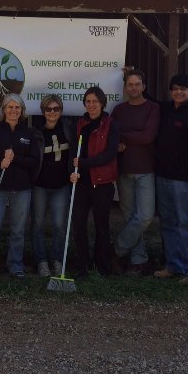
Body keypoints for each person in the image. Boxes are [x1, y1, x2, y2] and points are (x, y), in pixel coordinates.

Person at [0, 93, 39, 281]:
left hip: (22, 189)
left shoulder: (28, 133)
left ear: (22, 111)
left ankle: (15, 265)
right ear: (3, 110)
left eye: (17, 107)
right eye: (10, 107)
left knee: (18, 230)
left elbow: (34, 160)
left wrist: (16, 158)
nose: (13, 110)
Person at [154, 74, 188, 284]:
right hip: (163, 176)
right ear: (170, 91)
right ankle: (173, 265)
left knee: (186, 223)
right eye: (175, 88)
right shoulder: (166, 109)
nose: (179, 92)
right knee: (167, 222)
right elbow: (146, 98)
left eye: (183, 89)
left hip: (184, 180)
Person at [110, 69, 160, 275]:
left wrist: (123, 137)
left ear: (144, 86)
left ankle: (115, 250)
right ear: (125, 87)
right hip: (124, 170)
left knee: (145, 216)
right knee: (130, 217)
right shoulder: (119, 110)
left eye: (137, 84)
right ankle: (138, 260)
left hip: (146, 169)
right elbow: (111, 134)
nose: (133, 88)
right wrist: (119, 140)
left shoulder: (152, 108)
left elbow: (148, 136)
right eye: (130, 84)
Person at [70, 86, 119, 278]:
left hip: (102, 182)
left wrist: (85, 163)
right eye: (88, 101)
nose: (91, 105)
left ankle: (102, 266)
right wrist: (72, 172)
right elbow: (73, 153)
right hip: (81, 182)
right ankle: (82, 265)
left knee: (102, 226)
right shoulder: (80, 124)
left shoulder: (111, 124)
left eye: (95, 102)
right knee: (79, 225)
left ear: (102, 103)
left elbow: (110, 154)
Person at [31, 94, 72, 277]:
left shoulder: (69, 129)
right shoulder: (36, 132)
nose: (52, 112)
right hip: (40, 185)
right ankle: (41, 262)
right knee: (37, 224)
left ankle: (57, 260)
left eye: (56, 109)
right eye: (49, 109)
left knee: (59, 225)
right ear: (43, 111)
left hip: (61, 185)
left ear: (61, 111)